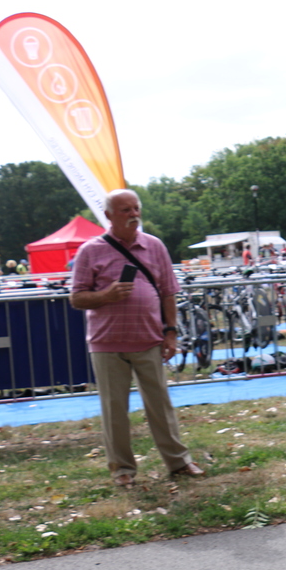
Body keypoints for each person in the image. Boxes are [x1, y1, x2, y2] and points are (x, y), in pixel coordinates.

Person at [69, 189, 205, 488]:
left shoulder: (155, 246)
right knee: (114, 409)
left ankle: (179, 462)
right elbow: (76, 298)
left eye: (136, 208)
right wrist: (106, 295)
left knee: (160, 405)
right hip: (107, 344)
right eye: (125, 210)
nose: (133, 214)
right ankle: (122, 470)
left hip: (149, 340)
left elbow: (168, 291)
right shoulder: (90, 251)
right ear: (108, 216)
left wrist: (170, 332)